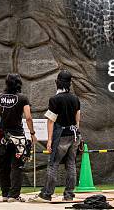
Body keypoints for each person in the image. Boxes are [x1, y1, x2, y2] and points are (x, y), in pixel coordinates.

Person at [30, 70, 81, 202]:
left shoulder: (55, 99)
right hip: (74, 135)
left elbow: (51, 121)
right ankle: (69, 195)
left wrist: (50, 140)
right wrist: (76, 133)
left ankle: (47, 194)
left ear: (57, 83)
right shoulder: (75, 98)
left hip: (61, 136)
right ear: (70, 83)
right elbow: (77, 119)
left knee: (53, 164)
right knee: (71, 165)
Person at [0, 73, 36, 203]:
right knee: (17, 166)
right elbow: (28, 117)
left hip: (3, 137)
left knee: (3, 166)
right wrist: (32, 133)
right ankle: (14, 195)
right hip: (18, 138)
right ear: (19, 83)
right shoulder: (23, 98)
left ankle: (5, 194)